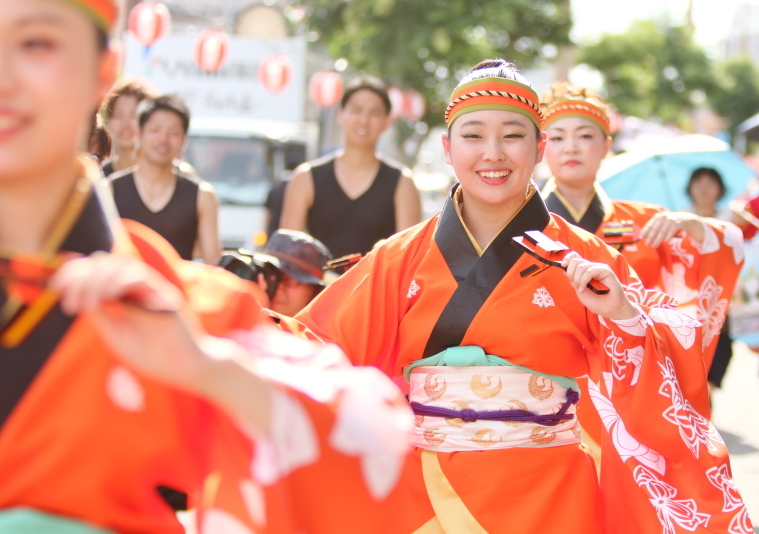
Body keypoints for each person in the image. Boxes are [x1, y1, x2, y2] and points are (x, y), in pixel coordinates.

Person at [0, 1, 416, 532]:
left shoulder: (176, 305)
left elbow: (376, 449)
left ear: (103, 71)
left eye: (36, 43)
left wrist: (207, 368)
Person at [297, 59, 751, 533]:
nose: (493, 153)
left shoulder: (589, 256)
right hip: (424, 492)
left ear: (538, 148)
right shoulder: (399, 256)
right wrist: (233, 319)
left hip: (551, 495)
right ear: (448, 149)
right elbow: (314, 342)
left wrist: (623, 315)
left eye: (513, 135)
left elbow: (670, 357)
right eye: (473, 136)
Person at [539, 83, 744, 373]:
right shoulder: (527, 228)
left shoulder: (646, 220)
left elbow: (727, 248)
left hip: (635, 375)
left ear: (606, 146)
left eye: (585, 136)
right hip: (554, 379)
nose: (571, 147)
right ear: (541, 148)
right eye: (557, 138)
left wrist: (692, 224)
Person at [280, 76, 422, 257]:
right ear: (341, 116)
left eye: (374, 113)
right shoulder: (305, 177)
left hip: (377, 284)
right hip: (322, 285)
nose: (364, 120)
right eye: (356, 110)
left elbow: (408, 256)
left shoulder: (403, 183)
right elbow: (287, 254)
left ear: (386, 122)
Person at [109, 95, 220, 264]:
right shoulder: (109, 190)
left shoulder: (202, 196)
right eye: (155, 130)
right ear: (139, 135)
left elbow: (214, 266)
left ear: (184, 141)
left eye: (173, 132)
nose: (163, 139)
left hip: (177, 289)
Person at [682, 167, 735, 393]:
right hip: (688, 298)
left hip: (724, 297)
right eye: (698, 182)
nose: (704, 188)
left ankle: (706, 391)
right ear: (691, 188)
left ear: (720, 189)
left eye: (710, 183)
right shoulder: (679, 221)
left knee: (721, 346)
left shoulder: (731, 221)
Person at [257, 230, 332, 318]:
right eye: (271, 276)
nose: (277, 287)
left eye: (287, 279)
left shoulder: (320, 330)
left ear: (313, 291)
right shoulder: (245, 321)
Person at [99, 77, 156, 177]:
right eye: (118, 115)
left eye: (133, 115)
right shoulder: (99, 176)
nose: (125, 124)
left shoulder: (162, 174)